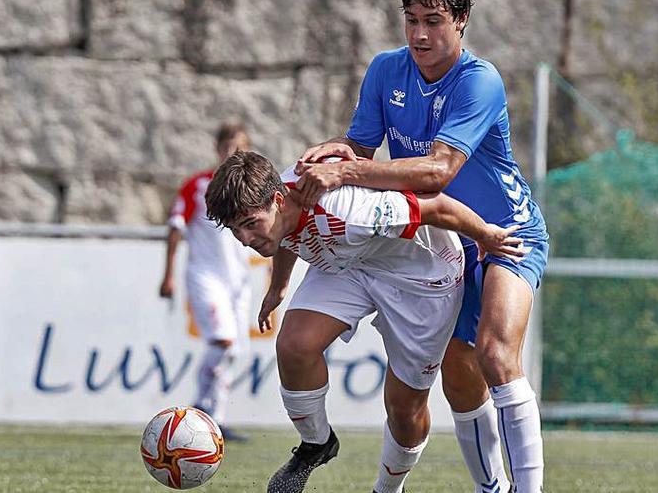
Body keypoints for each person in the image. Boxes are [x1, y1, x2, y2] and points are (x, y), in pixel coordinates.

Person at [293, 0, 549, 492]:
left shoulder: (480, 79)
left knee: (495, 355)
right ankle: (490, 488)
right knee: (457, 373)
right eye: (411, 21)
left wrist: (346, 169)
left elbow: (438, 171)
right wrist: (336, 154)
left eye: (433, 21)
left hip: (506, 232)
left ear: (461, 21)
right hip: (443, 236)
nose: (420, 34)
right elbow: (360, 157)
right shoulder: (386, 70)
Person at [204, 151, 525, 493]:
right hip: (349, 264)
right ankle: (316, 444)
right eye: (235, 229)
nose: (245, 239)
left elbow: (437, 207)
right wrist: (279, 286)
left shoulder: (348, 209)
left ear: (279, 199)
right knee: (294, 345)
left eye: (250, 224)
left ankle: (387, 488)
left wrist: (487, 235)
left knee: (405, 410)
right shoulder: (278, 206)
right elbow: (283, 234)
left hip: (420, 278)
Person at [158, 122, 254, 442]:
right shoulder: (198, 185)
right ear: (217, 149)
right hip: (205, 276)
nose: (232, 153)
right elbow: (176, 228)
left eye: (239, 148)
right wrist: (168, 274)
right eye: (227, 146)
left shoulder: (253, 188)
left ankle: (216, 419)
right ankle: (200, 408)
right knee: (222, 340)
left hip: (238, 282)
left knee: (231, 351)